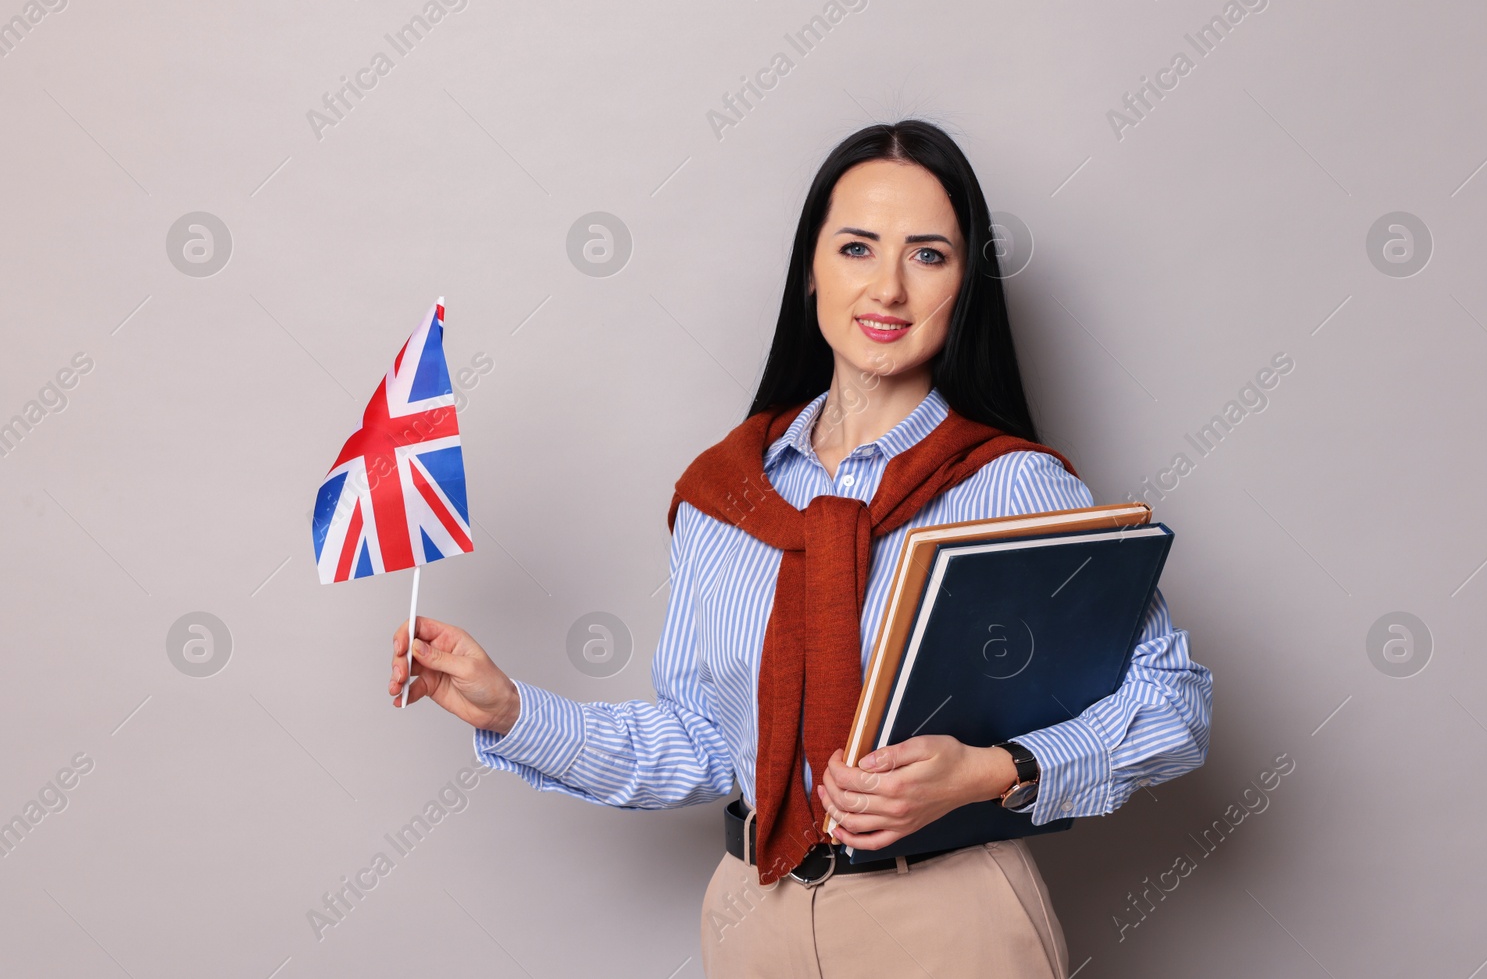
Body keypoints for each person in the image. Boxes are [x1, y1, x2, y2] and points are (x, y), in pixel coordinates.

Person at [387, 120, 1213, 978]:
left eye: (928, 255)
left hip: (946, 917)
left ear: (965, 283)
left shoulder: (1010, 487)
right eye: (858, 247)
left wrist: (987, 770)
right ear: (810, 268)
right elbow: (707, 741)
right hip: (756, 918)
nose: (888, 288)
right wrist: (510, 710)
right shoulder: (726, 493)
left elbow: (1175, 701)